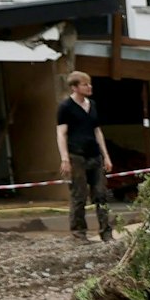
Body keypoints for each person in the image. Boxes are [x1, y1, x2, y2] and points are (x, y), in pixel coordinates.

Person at [56, 71, 113, 241]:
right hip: (76, 155)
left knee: (101, 194)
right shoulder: (65, 107)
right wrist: (65, 158)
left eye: (89, 84)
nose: (89, 87)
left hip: (94, 154)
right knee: (79, 195)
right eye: (85, 84)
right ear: (74, 87)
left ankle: (106, 232)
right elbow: (61, 133)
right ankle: (79, 233)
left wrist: (106, 155)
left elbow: (97, 131)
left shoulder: (92, 105)